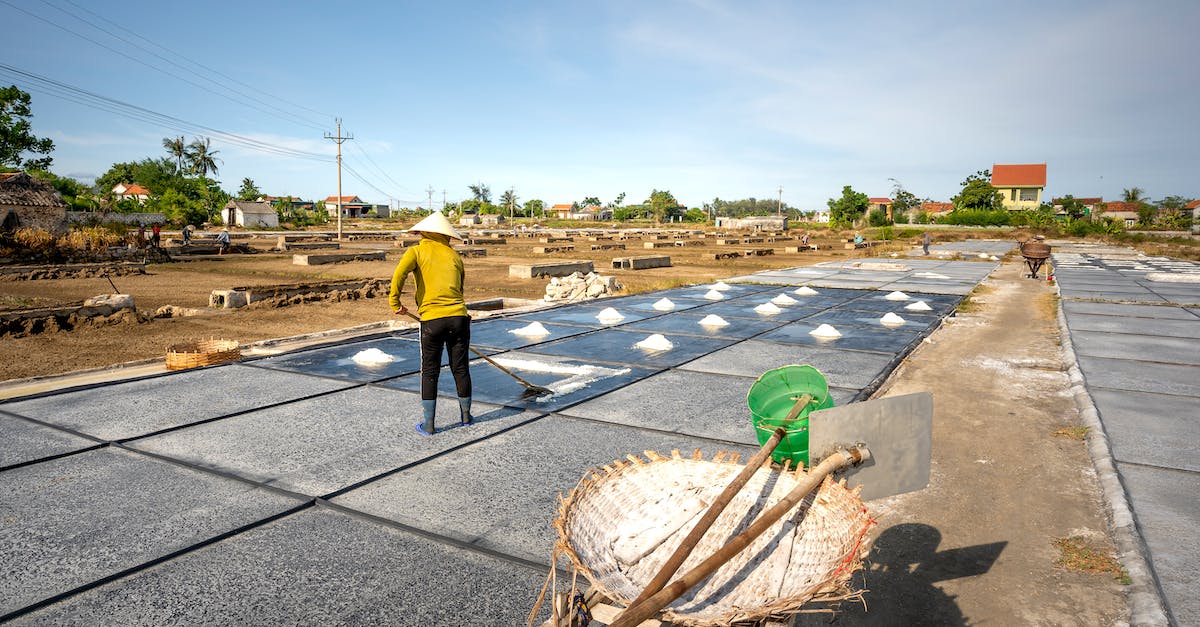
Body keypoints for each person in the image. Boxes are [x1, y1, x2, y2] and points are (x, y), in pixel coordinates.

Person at [389, 212, 472, 435]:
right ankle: (465, 417)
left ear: (425, 232)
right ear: (445, 235)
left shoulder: (416, 251)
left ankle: (429, 424)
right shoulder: (454, 256)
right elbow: (460, 288)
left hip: (432, 320)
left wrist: (394, 302)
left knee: (430, 371)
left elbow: (399, 274)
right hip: (459, 318)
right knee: (461, 368)